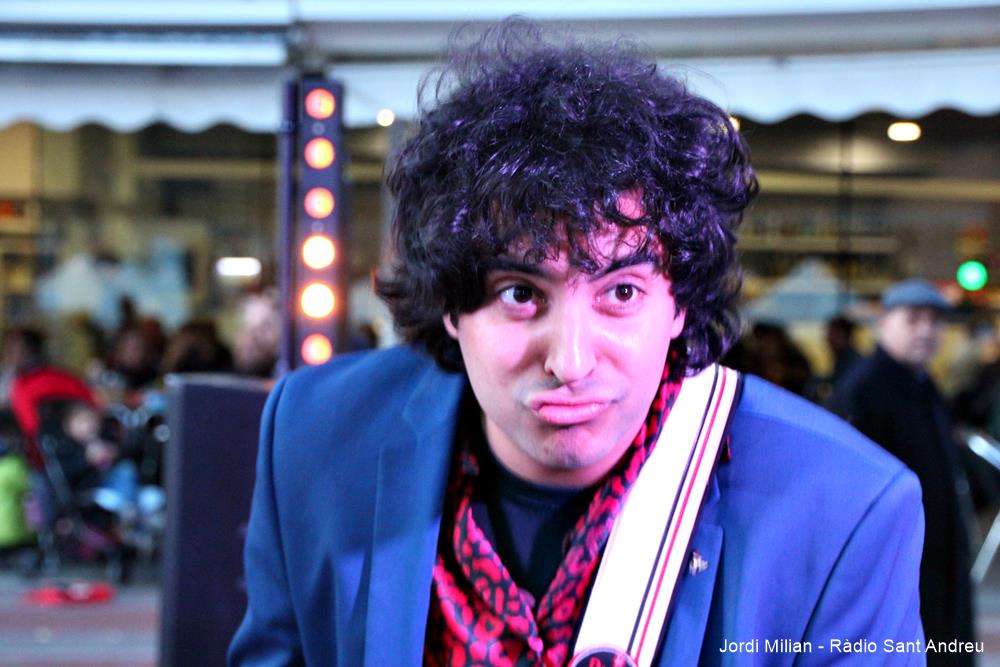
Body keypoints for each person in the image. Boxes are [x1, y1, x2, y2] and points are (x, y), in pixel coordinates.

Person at [231, 21, 927, 666]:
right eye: (519, 293)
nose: (570, 361)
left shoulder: (842, 509)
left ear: (680, 301)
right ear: (448, 302)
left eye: (620, 293)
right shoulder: (317, 436)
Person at [830, 278, 975, 666]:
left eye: (935, 321)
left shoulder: (925, 386)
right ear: (884, 322)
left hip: (936, 566)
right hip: (897, 573)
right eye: (913, 319)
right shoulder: (863, 391)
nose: (926, 331)